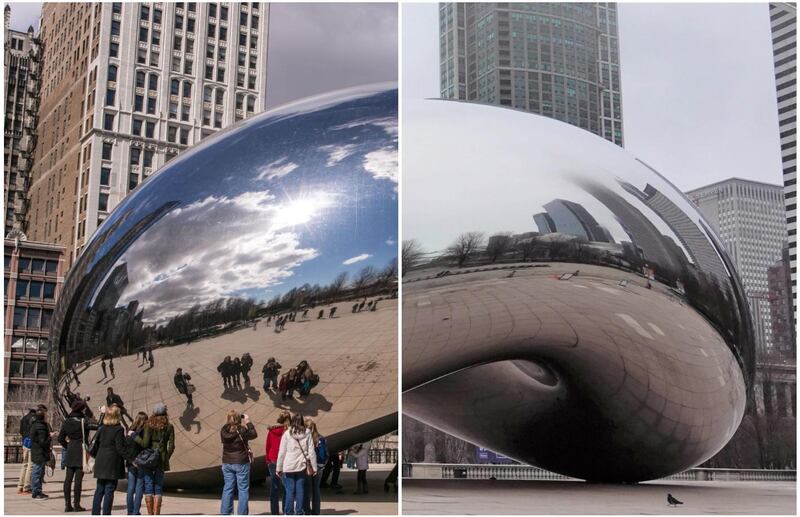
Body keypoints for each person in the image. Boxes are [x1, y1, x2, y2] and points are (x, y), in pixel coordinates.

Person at [135, 404, 175, 515]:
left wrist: (135, 437)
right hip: (161, 458)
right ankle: (157, 514)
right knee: (158, 486)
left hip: (149, 458)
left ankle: (150, 514)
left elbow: (145, 443)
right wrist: (166, 457)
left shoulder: (149, 424)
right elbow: (171, 446)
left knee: (148, 485)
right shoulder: (169, 426)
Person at [91, 405, 131, 515]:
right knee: (109, 489)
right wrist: (132, 459)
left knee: (99, 489)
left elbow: (96, 444)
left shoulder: (102, 428)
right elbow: (120, 448)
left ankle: (95, 513)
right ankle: (106, 513)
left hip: (101, 460)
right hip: (112, 462)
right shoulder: (118, 429)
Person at [276, 414, 317, 516]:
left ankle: (288, 512)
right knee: (300, 490)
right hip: (301, 465)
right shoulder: (307, 432)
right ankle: (299, 511)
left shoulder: (287, 433)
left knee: (289, 491)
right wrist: (314, 467)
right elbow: (311, 451)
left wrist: (278, 468)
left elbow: (282, 452)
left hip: (289, 465)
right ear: (302, 421)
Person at [219, 410, 257, 515]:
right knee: (243, 489)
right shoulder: (242, 430)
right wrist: (248, 421)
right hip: (241, 462)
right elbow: (254, 434)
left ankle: (225, 513)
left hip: (227, 462)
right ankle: (242, 513)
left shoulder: (224, 430)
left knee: (228, 488)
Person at [59, 400, 90, 512]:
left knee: (68, 479)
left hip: (71, 450)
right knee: (78, 480)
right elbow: (96, 426)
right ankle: (77, 504)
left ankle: (67, 505)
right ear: (81, 409)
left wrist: (68, 446)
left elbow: (60, 438)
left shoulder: (67, 421)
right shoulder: (83, 421)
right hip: (80, 451)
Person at [265, 411, 290, 515]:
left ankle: (274, 511)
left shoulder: (271, 431)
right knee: (286, 487)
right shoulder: (288, 432)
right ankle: (285, 509)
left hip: (272, 460)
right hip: (284, 461)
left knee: (274, 487)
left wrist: (267, 460)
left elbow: (268, 446)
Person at [303, 419, 328, 515]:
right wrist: (322, 465)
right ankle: (316, 511)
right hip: (319, 466)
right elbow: (324, 454)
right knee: (316, 490)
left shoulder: (304, 438)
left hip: (308, 466)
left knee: (307, 489)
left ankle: (307, 511)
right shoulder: (321, 438)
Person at [125, 412, 148, 515]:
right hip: (140, 461)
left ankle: (130, 512)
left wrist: (130, 460)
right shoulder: (143, 431)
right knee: (139, 487)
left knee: (130, 487)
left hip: (131, 462)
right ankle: (135, 511)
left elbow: (126, 446)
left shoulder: (130, 430)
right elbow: (145, 445)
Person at [30, 406, 54, 500]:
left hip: (37, 452)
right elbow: (43, 442)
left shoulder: (35, 424)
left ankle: (38, 491)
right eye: (46, 415)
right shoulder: (41, 427)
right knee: (37, 472)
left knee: (39, 473)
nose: (47, 416)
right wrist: (50, 436)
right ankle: (36, 492)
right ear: (42, 416)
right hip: (39, 453)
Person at [17, 406, 38, 495]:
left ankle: (20, 486)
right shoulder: (35, 418)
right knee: (31, 465)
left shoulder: (24, 418)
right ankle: (27, 487)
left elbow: (21, 431)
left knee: (24, 465)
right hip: (32, 443)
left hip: (25, 442)